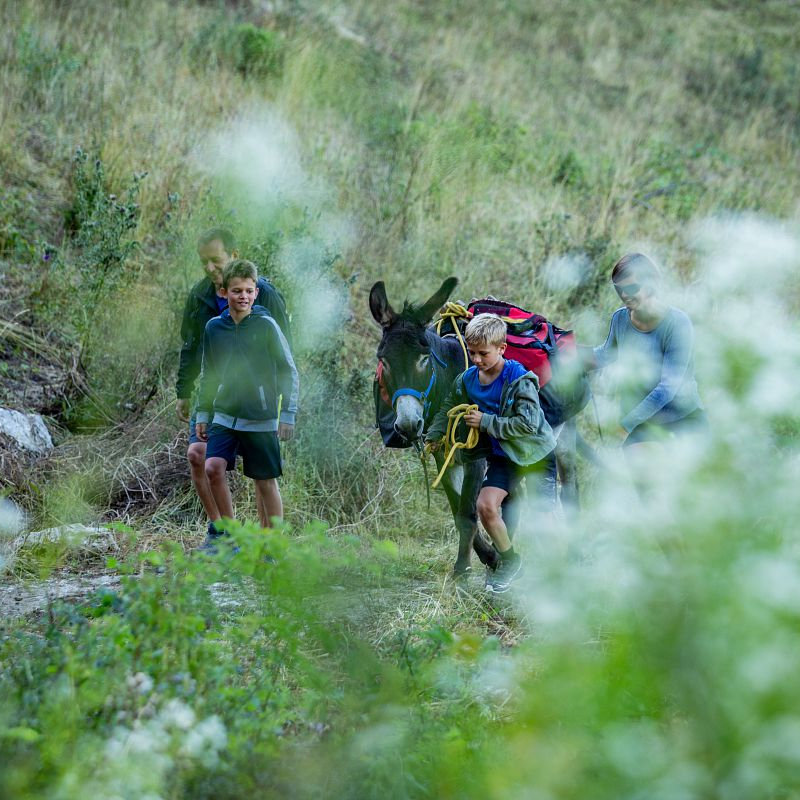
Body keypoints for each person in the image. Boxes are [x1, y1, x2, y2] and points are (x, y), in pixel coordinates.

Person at [426, 313, 557, 593]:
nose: (476, 360)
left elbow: (528, 424)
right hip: (504, 456)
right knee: (485, 506)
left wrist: (484, 421)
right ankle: (510, 562)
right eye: (471, 353)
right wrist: (436, 433)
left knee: (545, 520)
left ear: (501, 349)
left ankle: (558, 574)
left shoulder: (520, 379)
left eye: (483, 353)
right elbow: (449, 403)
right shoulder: (468, 379)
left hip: (536, 455)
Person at [176, 228, 291, 542]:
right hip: (217, 397)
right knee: (199, 455)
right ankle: (222, 530)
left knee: (260, 474)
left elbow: (285, 351)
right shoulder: (201, 296)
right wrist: (184, 391)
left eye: (217, 260)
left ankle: (267, 544)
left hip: (257, 399)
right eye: (204, 262)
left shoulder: (263, 293)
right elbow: (192, 345)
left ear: (234, 257)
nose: (210, 268)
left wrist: (282, 403)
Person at [583, 252, 707, 478]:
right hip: (643, 423)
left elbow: (668, 388)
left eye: (631, 289)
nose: (624, 296)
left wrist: (624, 426)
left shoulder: (677, 323)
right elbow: (605, 355)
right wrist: (569, 354)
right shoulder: (620, 318)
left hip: (682, 419)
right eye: (618, 290)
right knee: (647, 486)